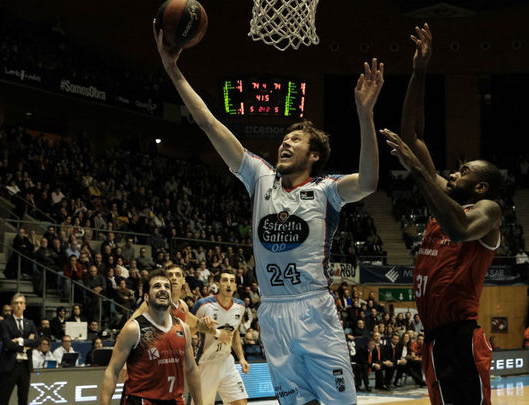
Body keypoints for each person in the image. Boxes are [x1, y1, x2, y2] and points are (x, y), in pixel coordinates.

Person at [153, 18, 384, 403]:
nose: (285, 143)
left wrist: (365, 115)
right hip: (273, 313)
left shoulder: (326, 190)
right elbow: (209, 124)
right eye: (284, 138)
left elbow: (370, 182)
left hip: (314, 311)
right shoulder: (259, 176)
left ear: (314, 155)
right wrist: (173, 69)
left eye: (296, 139)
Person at [382, 24, 500, 405]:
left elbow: (459, 228)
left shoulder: (487, 211)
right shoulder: (445, 196)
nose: (453, 174)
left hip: (459, 338)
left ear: (481, 187)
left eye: (464, 172)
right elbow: (412, 135)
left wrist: (417, 171)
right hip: (434, 339)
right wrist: (419, 72)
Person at [99, 270, 202, 405]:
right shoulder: (133, 329)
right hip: (141, 400)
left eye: (167, 287)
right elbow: (112, 371)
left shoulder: (183, 328)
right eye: (157, 286)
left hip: (174, 400)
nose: (163, 289)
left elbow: (191, 369)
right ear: (146, 297)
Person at [191, 270, 250, 405]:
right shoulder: (203, 305)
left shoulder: (240, 306)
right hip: (205, 363)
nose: (228, 284)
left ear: (235, 286)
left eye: (232, 281)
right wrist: (201, 325)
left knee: (240, 402)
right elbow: (187, 329)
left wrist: (241, 357)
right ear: (217, 284)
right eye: (225, 280)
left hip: (226, 361)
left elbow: (234, 332)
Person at [0, 293, 38, 405]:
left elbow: (36, 342)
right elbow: (8, 343)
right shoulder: (5, 323)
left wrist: (19, 340)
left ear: (25, 306)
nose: (18, 305)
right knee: (3, 399)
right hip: (9, 365)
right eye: (16, 303)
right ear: (11, 306)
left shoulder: (30, 323)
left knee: (23, 399)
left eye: (21, 303)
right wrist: (27, 344)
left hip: (25, 366)